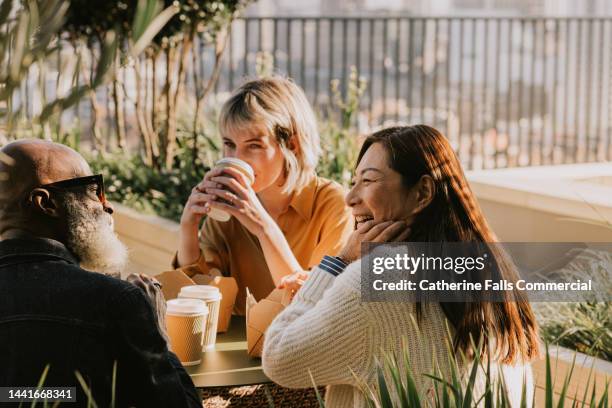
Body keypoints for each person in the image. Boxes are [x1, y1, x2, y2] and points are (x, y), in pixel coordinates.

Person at [262, 125, 540, 408]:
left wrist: (339, 262)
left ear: (422, 194)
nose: (350, 198)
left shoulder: (376, 280)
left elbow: (279, 359)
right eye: (353, 181)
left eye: (368, 181)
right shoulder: (494, 267)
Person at [0, 139, 200, 407]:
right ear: (46, 203)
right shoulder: (117, 301)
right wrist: (160, 338)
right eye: (94, 190)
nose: (107, 206)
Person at [173, 77, 353, 313]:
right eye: (229, 143)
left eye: (254, 145)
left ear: (292, 145)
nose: (237, 158)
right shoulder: (227, 211)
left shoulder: (334, 205)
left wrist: (263, 227)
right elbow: (197, 299)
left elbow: (314, 309)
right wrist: (189, 226)